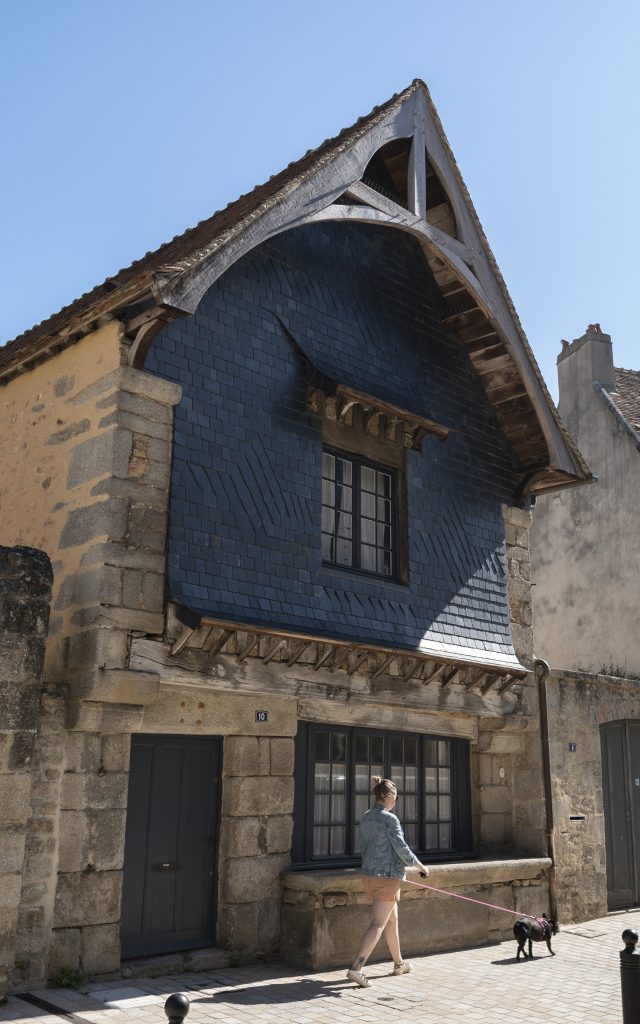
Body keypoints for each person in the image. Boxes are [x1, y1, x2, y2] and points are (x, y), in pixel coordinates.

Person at [346, 776, 429, 988]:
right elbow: (401, 847)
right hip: (387, 878)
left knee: (392, 919)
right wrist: (420, 866)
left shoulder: (365, 817)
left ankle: (399, 963)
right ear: (390, 796)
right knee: (378, 923)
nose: (396, 802)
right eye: (397, 798)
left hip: (369, 876)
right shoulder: (390, 819)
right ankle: (356, 968)